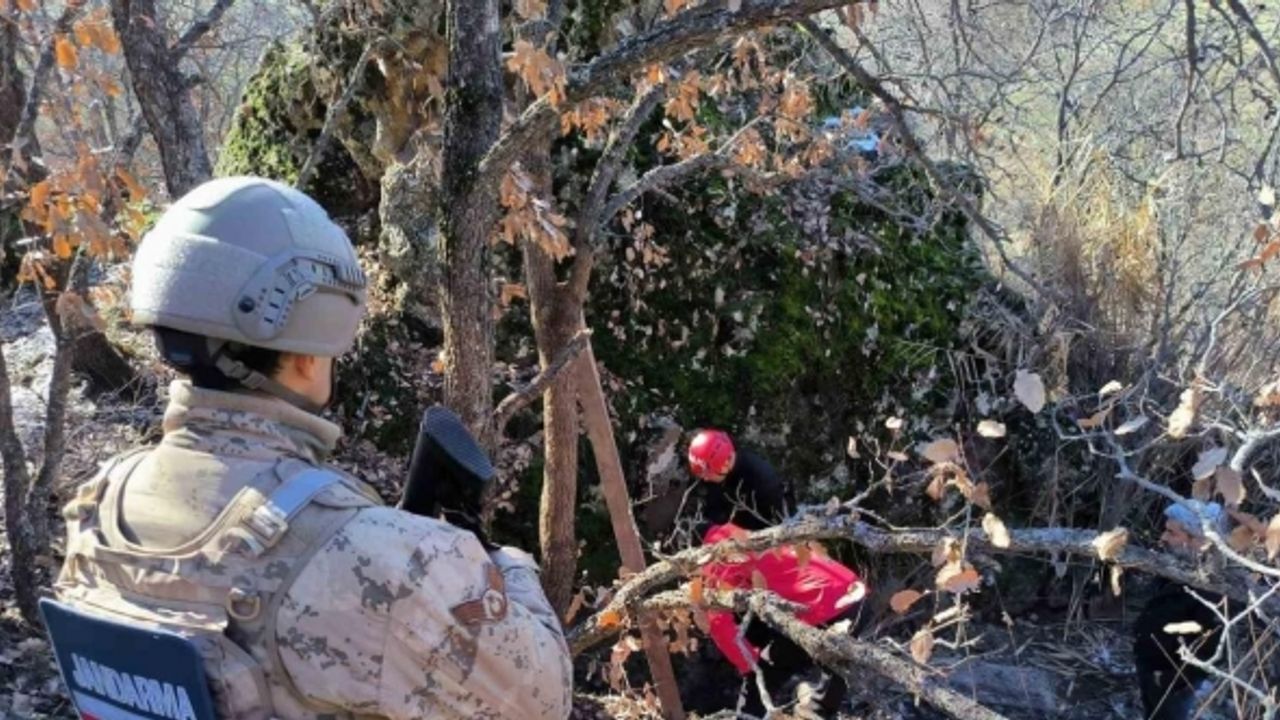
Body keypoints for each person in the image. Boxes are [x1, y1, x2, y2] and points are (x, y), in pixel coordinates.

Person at [52, 177, 572, 719]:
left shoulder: (96, 503)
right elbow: (542, 701)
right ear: (308, 351)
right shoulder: (388, 561)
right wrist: (499, 565)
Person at [688, 429, 866, 717]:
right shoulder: (751, 536)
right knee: (831, 676)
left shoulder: (720, 559)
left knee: (766, 672)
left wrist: (749, 663)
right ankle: (810, 707)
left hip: (826, 607)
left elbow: (720, 622)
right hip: (854, 592)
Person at [687, 428, 788, 531]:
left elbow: (768, 525)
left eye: (706, 474)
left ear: (724, 466)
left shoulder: (760, 484)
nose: (705, 478)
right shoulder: (726, 467)